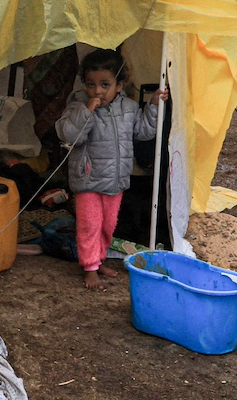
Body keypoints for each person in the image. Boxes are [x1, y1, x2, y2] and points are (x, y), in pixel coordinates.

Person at [54, 48, 163, 291]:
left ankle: (100, 258)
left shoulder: (130, 108)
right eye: (91, 84)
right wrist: (87, 111)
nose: (98, 91)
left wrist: (153, 107)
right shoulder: (77, 106)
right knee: (89, 224)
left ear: (120, 85)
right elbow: (70, 136)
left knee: (107, 225)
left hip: (115, 180)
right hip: (88, 179)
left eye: (105, 84)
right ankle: (90, 267)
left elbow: (144, 131)